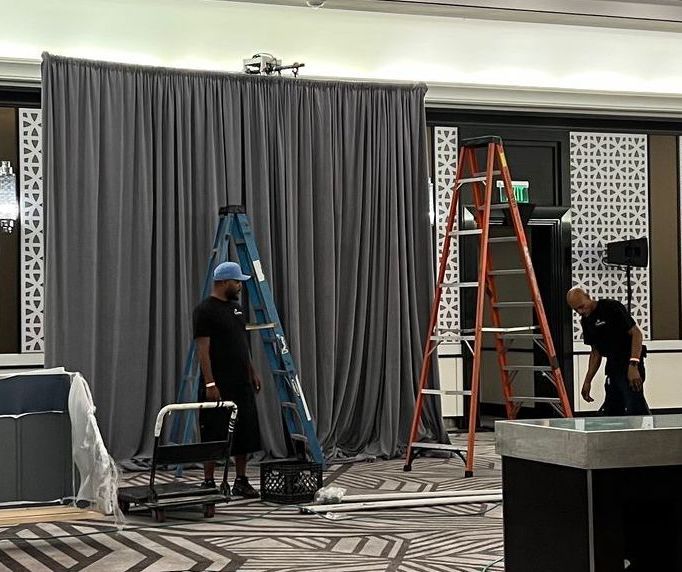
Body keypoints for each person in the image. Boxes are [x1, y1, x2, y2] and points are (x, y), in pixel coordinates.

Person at [193, 261, 262, 498]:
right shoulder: (205, 311)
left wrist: (251, 371)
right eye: (236, 282)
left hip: (241, 382)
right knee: (213, 431)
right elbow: (203, 350)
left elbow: (242, 344)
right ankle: (209, 481)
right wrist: (210, 383)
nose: (240, 286)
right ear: (223, 282)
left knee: (245, 431)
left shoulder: (237, 309)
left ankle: (241, 480)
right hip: (219, 383)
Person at [567, 287, 650, 416]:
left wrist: (633, 365)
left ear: (588, 297)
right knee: (612, 409)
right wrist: (588, 381)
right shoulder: (586, 321)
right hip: (612, 365)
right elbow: (595, 353)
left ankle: (646, 426)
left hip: (629, 361)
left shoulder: (611, 307)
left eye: (582, 306)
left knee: (634, 406)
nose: (580, 311)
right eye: (576, 310)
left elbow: (637, 334)